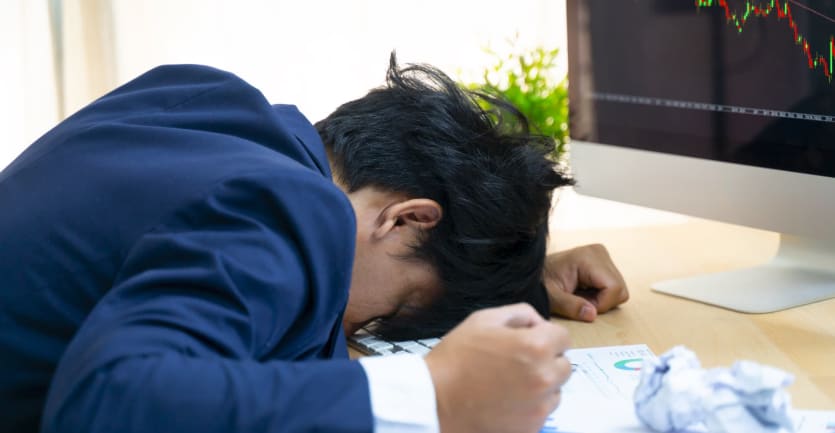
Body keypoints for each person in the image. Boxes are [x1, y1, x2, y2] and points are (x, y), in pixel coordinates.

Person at [0, 54, 628, 433]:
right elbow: (107, 405)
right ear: (407, 220)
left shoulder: (202, 99)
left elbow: (204, 260)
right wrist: (434, 392)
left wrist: (510, 274)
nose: (363, 330)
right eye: (388, 316)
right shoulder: (297, 208)